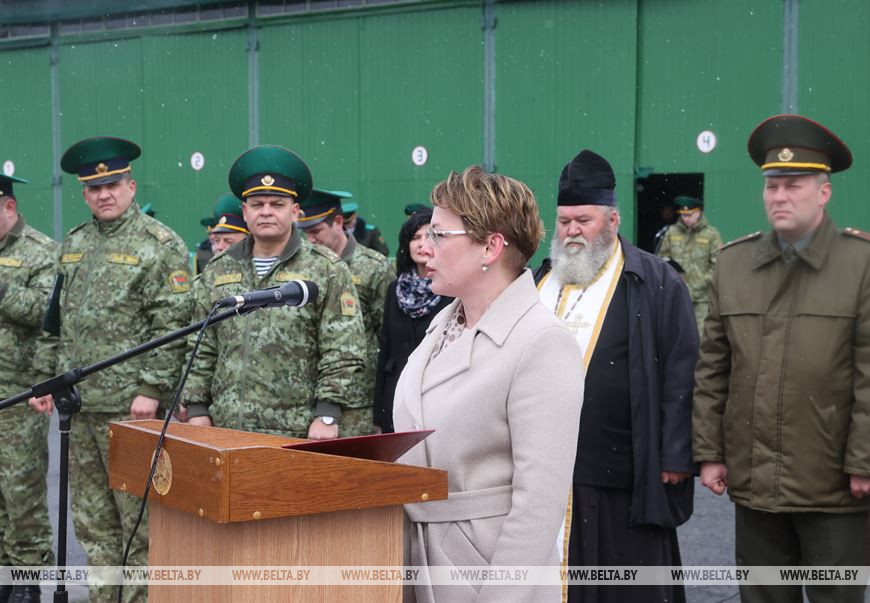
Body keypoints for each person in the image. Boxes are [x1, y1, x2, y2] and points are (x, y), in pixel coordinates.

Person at [693, 114, 870, 603]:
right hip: (756, 484)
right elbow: (714, 367)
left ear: (824, 192)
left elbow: (868, 374)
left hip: (833, 485)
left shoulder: (860, 265)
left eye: (794, 185)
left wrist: (863, 461)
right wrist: (710, 453)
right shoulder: (733, 265)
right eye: (773, 186)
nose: (779, 196)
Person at [394, 165, 584, 603]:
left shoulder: (542, 342)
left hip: (482, 576)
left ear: (491, 246)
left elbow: (539, 504)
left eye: (440, 235)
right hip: (418, 563)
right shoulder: (443, 325)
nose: (425, 248)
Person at [29, 136, 192, 603]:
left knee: (141, 525)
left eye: (113, 184)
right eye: (94, 187)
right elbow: (53, 322)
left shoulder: (160, 245)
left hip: (132, 411)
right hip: (79, 410)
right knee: (93, 525)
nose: (105, 193)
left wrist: (151, 388)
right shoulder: (74, 244)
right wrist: (44, 380)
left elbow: (174, 325)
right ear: (83, 193)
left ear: (131, 185)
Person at [534, 149, 697, 603]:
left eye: (583, 220)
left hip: (624, 470)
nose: (571, 232)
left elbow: (682, 371)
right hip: (547, 470)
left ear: (612, 219)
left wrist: (676, 455)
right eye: (564, 221)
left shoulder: (656, 280)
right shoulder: (541, 280)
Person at [182, 145, 367, 439]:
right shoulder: (218, 270)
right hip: (226, 425)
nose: (266, 211)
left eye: (277, 204)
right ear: (245, 211)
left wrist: (328, 414)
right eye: (257, 204)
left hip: (296, 427)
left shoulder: (326, 268)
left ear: (294, 212)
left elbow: (343, 347)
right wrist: (196, 408)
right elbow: (201, 344)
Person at [0, 175, 57, 603]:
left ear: (9, 207)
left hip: (18, 393)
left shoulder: (41, 250)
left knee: (21, 493)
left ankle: (26, 578)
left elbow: (45, 312)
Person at [298, 188, 394, 435]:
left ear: (338, 222)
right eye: (305, 233)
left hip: (357, 400)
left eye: (316, 231)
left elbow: (388, 334)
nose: (310, 240)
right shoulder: (303, 266)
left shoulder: (374, 267)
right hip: (305, 396)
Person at [373, 208, 452, 433]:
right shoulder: (395, 289)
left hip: (432, 394)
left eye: (429, 236)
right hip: (394, 393)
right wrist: (378, 413)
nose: (421, 243)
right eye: (415, 238)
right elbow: (385, 348)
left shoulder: (450, 290)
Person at [656, 195, 722, 335]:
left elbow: (718, 265)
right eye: (683, 215)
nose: (686, 218)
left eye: (690, 215)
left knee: (700, 336)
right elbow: (662, 259)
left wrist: (701, 282)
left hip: (701, 299)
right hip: (676, 295)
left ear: (698, 212)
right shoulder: (671, 233)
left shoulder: (711, 234)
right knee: (675, 334)